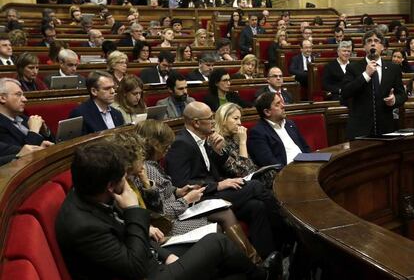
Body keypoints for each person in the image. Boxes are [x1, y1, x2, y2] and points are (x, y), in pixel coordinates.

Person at [56, 141, 279, 280]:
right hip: (146, 273)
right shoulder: (83, 225)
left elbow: (132, 242)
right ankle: (264, 275)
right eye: (124, 176)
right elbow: (135, 266)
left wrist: (164, 254)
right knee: (215, 242)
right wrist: (133, 208)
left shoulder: (93, 191)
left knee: (233, 271)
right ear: (111, 185)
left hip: (151, 257)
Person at [165, 101, 288, 259]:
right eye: (210, 118)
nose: (213, 122)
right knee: (255, 186)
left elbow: (211, 169)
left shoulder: (205, 138)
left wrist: (218, 151)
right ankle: (289, 224)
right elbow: (182, 184)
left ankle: (269, 257)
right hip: (201, 199)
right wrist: (218, 185)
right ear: (196, 123)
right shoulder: (181, 143)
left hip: (213, 193)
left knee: (256, 207)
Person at [129, 120, 263, 263]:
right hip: (168, 223)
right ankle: (251, 263)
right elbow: (161, 212)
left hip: (177, 209)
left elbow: (165, 192)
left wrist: (178, 191)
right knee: (251, 191)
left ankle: (252, 261)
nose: (168, 149)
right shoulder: (147, 169)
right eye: (165, 145)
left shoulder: (152, 165)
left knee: (239, 208)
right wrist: (187, 199)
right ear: (154, 144)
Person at [341, 29, 407, 139]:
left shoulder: (393, 69)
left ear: (383, 47)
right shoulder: (353, 67)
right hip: (360, 128)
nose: (373, 43)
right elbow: (345, 93)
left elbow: (402, 95)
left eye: (377, 41)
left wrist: (394, 99)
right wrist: (366, 75)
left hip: (386, 128)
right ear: (364, 47)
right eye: (369, 41)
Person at [248, 92, 310, 168]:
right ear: (267, 112)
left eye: (282, 102)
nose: (283, 106)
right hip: (287, 173)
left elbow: (305, 147)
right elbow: (269, 163)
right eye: (278, 104)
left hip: (306, 165)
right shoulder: (258, 133)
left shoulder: (289, 124)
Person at [0, 78, 54, 147]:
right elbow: (20, 154)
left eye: (23, 95)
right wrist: (34, 131)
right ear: (2, 98)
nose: (25, 99)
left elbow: (53, 144)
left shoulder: (23, 118)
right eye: (18, 94)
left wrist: (46, 132)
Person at [69, 70, 124, 135]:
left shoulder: (117, 114)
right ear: (94, 91)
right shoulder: (80, 115)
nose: (113, 91)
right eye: (107, 88)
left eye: (113, 87)